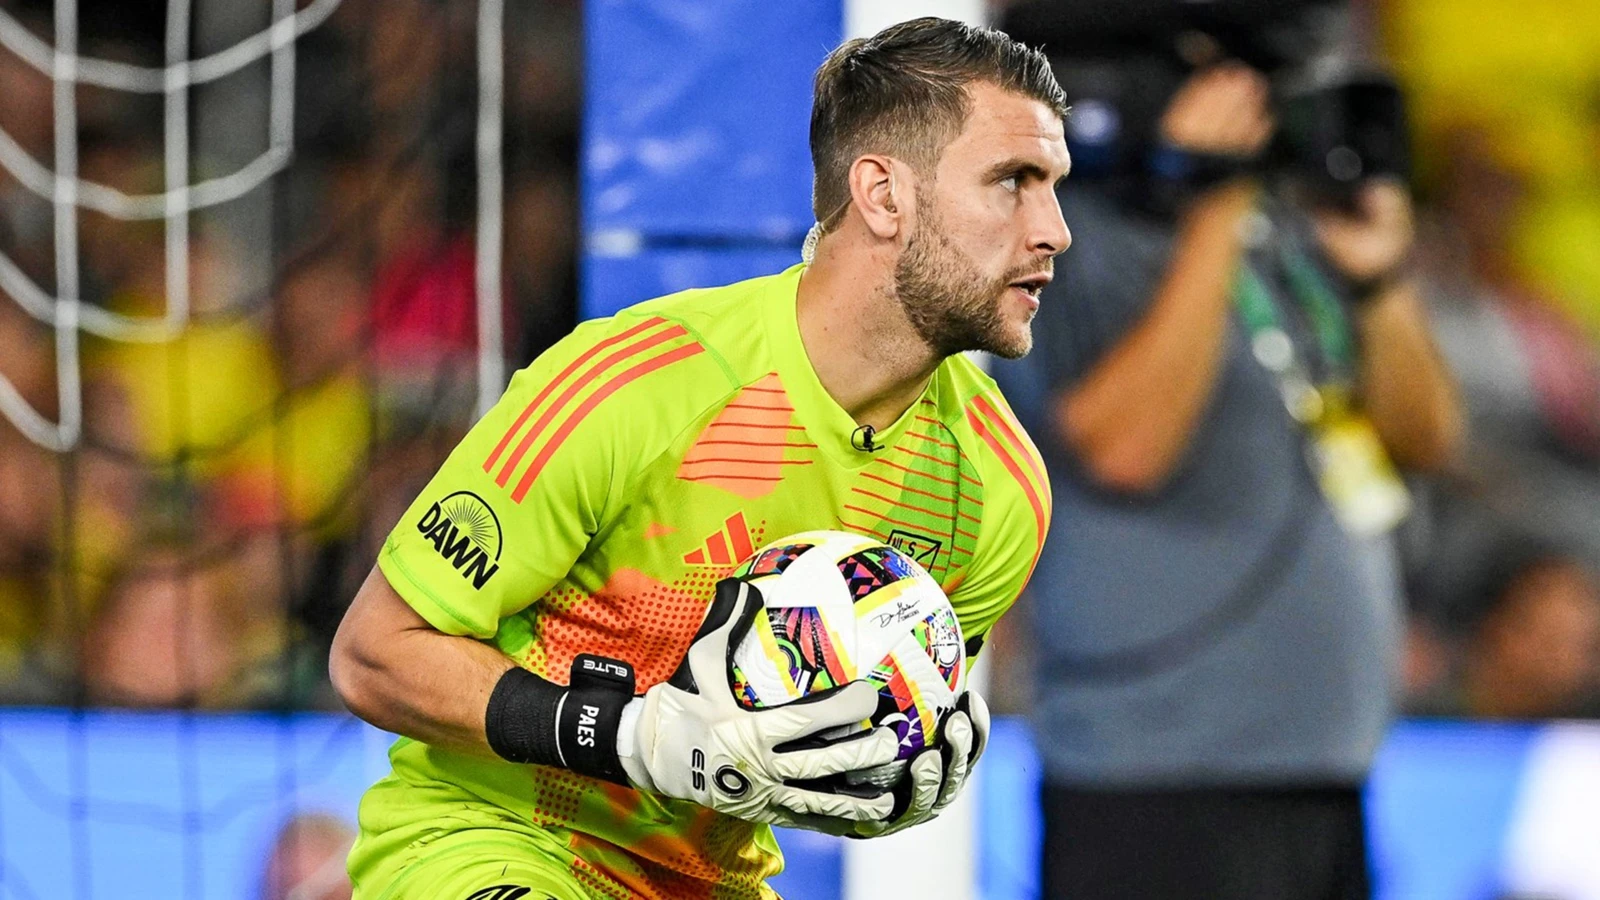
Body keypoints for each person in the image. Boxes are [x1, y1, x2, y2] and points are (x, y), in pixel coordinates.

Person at [329, 18, 1066, 900]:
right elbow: (375, 654)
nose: (1054, 230)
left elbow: (779, 761)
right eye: (1012, 183)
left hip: (707, 880)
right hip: (492, 841)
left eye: (1054, 188)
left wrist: (879, 780)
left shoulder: (999, 493)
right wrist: (634, 737)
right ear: (883, 195)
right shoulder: (635, 385)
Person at [991, 51, 1461, 900]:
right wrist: (1213, 207)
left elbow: (1427, 438)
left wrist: (1377, 280)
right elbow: (1126, 449)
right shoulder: (1064, 236)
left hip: (1325, 767)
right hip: (1152, 782)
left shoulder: (1288, 228)